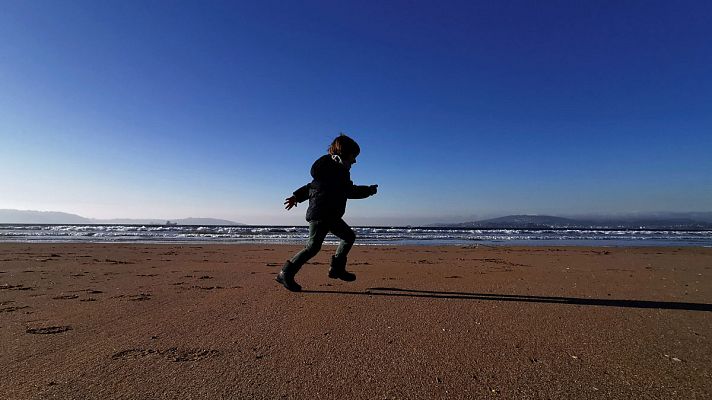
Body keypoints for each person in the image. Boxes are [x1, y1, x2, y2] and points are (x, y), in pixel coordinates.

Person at [277, 134, 378, 292]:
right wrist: (369, 191)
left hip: (331, 216)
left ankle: (336, 268)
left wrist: (296, 197)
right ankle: (286, 273)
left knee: (348, 236)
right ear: (343, 155)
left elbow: (310, 187)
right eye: (353, 157)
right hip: (320, 216)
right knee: (312, 247)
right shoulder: (336, 173)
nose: (355, 161)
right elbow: (349, 191)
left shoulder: (331, 172)